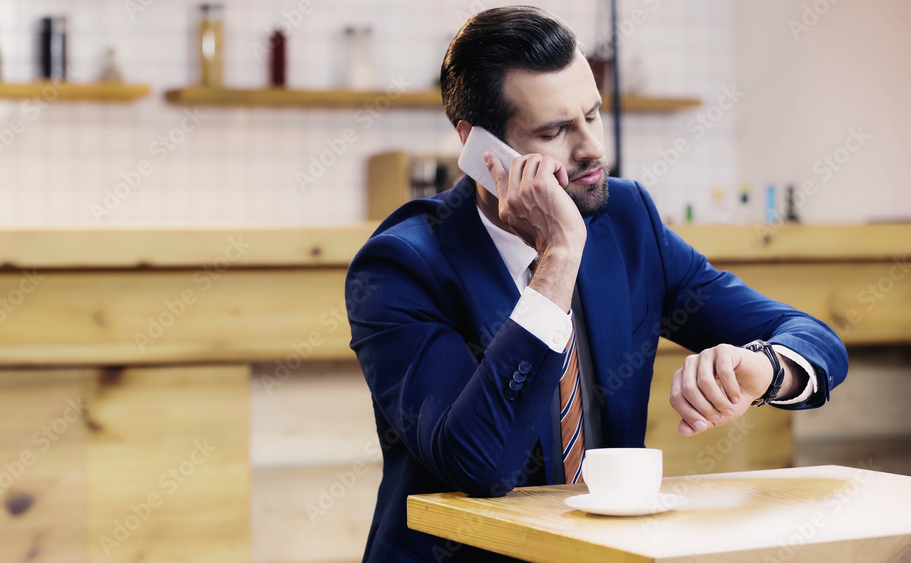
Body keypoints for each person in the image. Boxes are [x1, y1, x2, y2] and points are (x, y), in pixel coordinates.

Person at [344, 6, 848, 562]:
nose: (591, 150)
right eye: (554, 130)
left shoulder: (628, 219)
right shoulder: (401, 265)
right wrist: (557, 259)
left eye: (593, 114)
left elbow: (811, 336)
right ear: (478, 148)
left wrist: (765, 369)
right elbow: (479, 464)